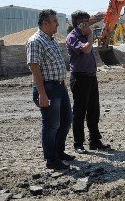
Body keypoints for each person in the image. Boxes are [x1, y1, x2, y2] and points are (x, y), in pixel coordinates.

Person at [26, 9, 74, 171]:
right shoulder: (35, 41)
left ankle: (59, 152)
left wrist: (63, 85)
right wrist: (42, 94)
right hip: (47, 88)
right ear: (45, 23)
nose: (58, 24)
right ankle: (51, 159)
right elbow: (35, 69)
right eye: (55, 21)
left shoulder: (51, 40)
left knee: (66, 121)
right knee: (51, 124)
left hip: (59, 86)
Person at [66, 10, 110, 154]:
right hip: (80, 78)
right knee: (79, 112)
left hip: (91, 77)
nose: (88, 24)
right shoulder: (73, 37)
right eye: (85, 22)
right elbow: (86, 49)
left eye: (88, 21)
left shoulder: (83, 34)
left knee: (93, 110)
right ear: (78, 24)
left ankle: (95, 141)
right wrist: (90, 35)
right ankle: (78, 143)